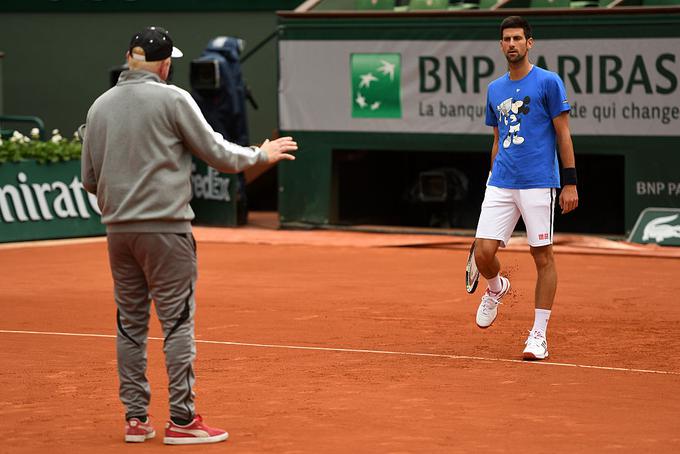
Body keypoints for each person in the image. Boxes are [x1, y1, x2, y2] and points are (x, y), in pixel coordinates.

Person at [80, 26, 297, 445]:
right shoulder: (173, 98)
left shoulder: (99, 106)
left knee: (130, 325)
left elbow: (89, 179)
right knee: (177, 324)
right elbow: (217, 152)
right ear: (164, 65)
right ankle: (181, 420)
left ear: (129, 59)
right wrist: (260, 154)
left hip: (118, 234)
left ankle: (136, 420)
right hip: (165, 230)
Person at [474, 16, 578, 361]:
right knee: (483, 253)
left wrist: (570, 182)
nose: (512, 44)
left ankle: (538, 334)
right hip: (501, 182)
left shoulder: (549, 82)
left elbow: (563, 133)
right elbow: (497, 139)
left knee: (542, 256)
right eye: (506, 39)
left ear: (529, 43)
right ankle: (496, 287)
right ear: (501, 45)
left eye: (518, 38)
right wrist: (491, 178)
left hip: (538, 183)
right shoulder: (494, 89)